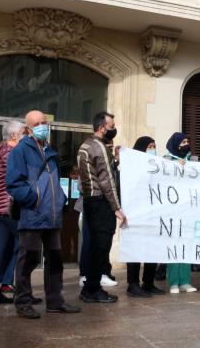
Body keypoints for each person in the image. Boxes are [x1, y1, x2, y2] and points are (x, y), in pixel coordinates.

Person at [6, 110, 80, 318]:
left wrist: (61, 201)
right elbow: (13, 183)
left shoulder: (50, 151)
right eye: (37, 123)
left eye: (44, 122)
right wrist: (33, 200)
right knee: (28, 260)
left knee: (55, 261)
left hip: (52, 216)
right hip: (32, 215)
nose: (42, 126)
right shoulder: (20, 151)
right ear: (29, 129)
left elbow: (54, 181)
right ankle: (23, 302)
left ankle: (55, 301)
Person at [77, 112, 127, 303]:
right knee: (101, 247)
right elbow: (107, 180)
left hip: (89, 201)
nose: (113, 129)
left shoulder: (85, 145)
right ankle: (93, 289)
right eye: (111, 126)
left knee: (93, 247)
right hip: (100, 203)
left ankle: (89, 288)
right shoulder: (99, 147)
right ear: (102, 128)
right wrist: (116, 208)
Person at [0, 120, 24, 305]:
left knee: (2, 248)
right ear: (14, 135)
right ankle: (21, 290)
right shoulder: (11, 154)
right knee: (25, 244)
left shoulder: (1, 151)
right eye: (23, 133)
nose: (25, 136)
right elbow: (17, 180)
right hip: (9, 208)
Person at [125, 136, 165, 297]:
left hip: (153, 213)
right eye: (149, 146)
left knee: (152, 249)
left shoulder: (158, 166)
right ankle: (132, 284)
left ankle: (148, 282)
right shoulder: (131, 166)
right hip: (135, 213)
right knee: (135, 249)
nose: (152, 149)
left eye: (154, 146)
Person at [163, 132, 198, 294]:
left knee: (186, 245)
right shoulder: (166, 161)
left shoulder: (193, 161)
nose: (185, 144)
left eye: (187, 141)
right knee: (173, 246)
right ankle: (173, 282)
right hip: (172, 210)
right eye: (182, 141)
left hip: (188, 210)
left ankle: (185, 281)